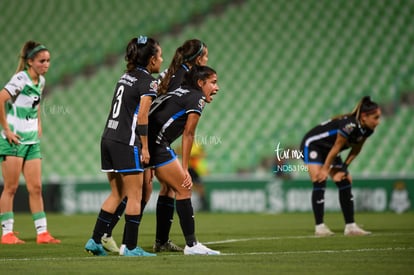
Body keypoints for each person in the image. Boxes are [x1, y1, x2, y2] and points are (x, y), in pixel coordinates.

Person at [104, 39, 209, 253]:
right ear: (197, 59)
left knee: (161, 189)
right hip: (149, 138)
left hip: (152, 138)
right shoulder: (182, 78)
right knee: (140, 192)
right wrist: (147, 148)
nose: (207, 60)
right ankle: (112, 237)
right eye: (205, 56)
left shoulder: (176, 73)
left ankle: (156, 241)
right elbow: (154, 112)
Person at [84, 35, 162, 256]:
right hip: (126, 142)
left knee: (117, 193)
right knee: (134, 195)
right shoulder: (148, 82)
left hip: (108, 138)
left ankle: (95, 240)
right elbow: (143, 117)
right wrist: (145, 147)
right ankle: (130, 246)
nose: (162, 59)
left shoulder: (125, 76)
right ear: (152, 60)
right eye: (160, 54)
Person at [138, 65, 220, 255]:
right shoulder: (197, 97)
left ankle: (159, 242)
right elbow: (188, 134)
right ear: (200, 83)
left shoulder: (179, 92)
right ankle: (192, 245)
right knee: (184, 187)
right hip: (157, 145)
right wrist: (185, 169)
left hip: (146, 142)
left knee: (157, 191)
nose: (217, 88)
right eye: (213, 83)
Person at [0, 41, 60, 244]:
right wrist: (6, 130)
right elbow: (0, 98)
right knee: (11, 188)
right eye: (42, 61)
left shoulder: (40, 81)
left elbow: (35, 104)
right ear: (30, 62)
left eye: (48, 60)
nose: (46, 64)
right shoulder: (20, 79)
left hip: (32, 141)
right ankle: (6, 233)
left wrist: (39, 123)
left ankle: (42, 233)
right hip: (14, 140)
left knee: (36, 187)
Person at [300, 96, 381, 237]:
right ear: (364, 116)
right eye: (375, 117)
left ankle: (350, 227)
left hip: (330, 150)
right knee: (319, 179)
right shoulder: (349, 125)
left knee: (344, 180)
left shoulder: (367, 129)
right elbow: (337, 147)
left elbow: (356, 149)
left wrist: (344, 167)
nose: (378, 122)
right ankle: (320, 227)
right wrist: (325, 170)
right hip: (313, 145)